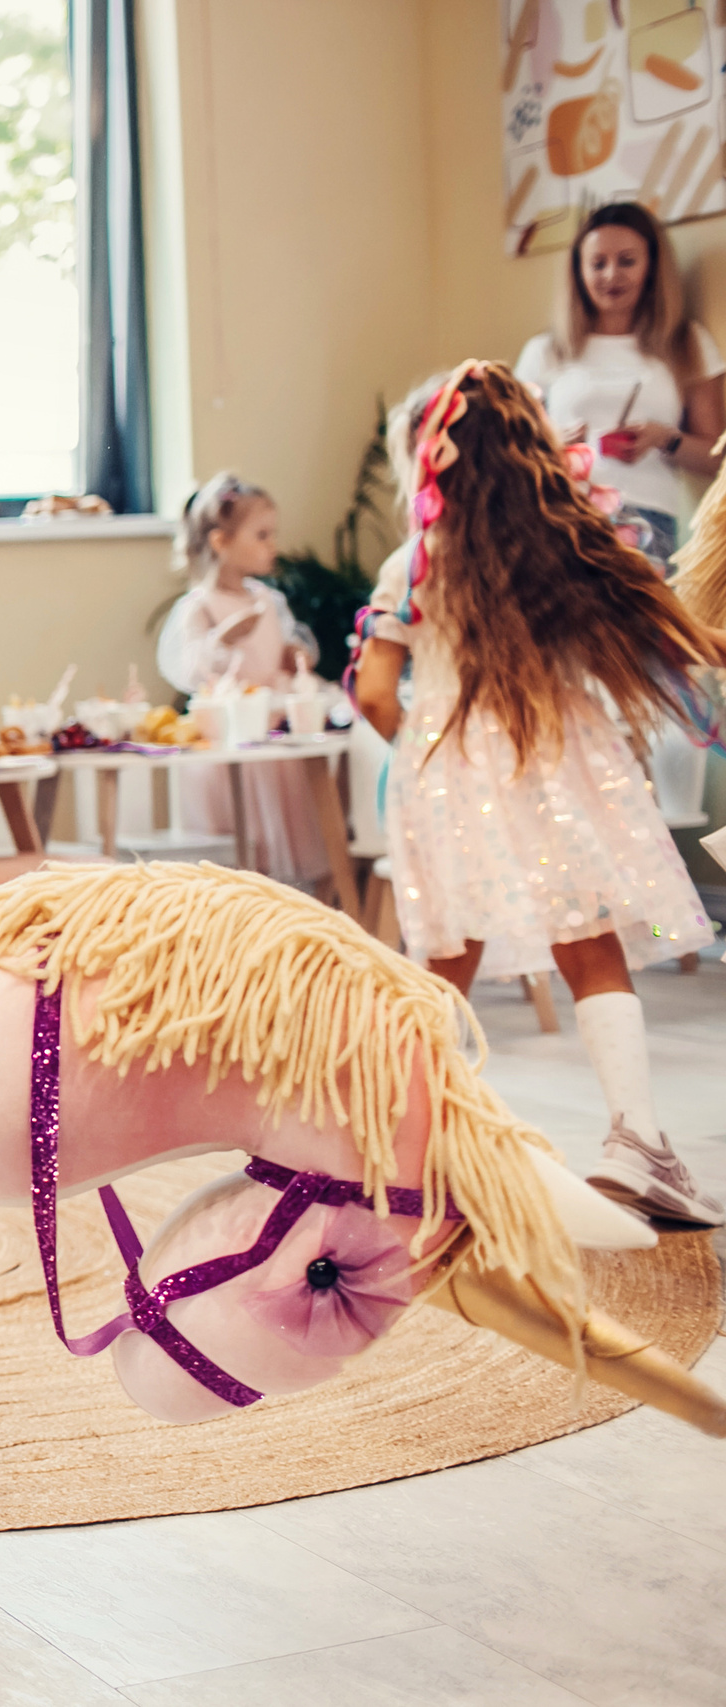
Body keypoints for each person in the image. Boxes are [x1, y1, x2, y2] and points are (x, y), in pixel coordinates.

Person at [350, 360, 726, 1227]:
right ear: (532, 449)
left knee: (445, 962)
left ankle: (399, 1147)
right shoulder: (574, 545)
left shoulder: (414, 562)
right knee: (588, 946)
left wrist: (429, 761)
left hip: (443, 782)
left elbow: (374, 693)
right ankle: (636, 1139)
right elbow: (687, 643)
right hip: (558, 772)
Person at [513, 199, 725, 562]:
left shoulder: (686, 343)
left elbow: (716, 460)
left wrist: (665, 438)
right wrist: (551, 447)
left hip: (650, 523)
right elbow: (506, 453)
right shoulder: (544, 351)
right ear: (578, 271)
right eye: (598, 263)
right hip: (559, 520)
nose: (611, 275)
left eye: (627, 261)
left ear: (652, 267)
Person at [155, 472, 333, 891]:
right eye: (262, 535)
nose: (273, 545)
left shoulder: (269, 601)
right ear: (221, 542)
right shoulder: (199, 605)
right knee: (239, 846)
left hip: (272, 732)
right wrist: (223, 639)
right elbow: (191, 667)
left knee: (283, 836)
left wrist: (295, 657)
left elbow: (288, 645)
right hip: (230, 737)